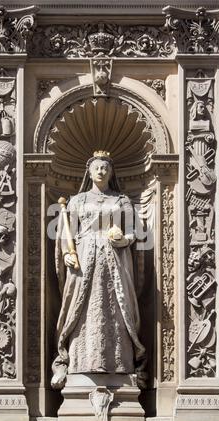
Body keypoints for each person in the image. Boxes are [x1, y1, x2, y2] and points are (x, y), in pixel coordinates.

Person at [51, 150, 146, 390]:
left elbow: (135, 231)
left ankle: (119, 363)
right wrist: (66, 253)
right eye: (97, 167)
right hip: (84, 258)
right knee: (82, 307)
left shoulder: (121, 200)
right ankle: (79, 361)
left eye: (105, 167)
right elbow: (66, 233)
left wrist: (125, 240)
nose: (101, 171)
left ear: (111, 172)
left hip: (115, 258)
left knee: (117, 306)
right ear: (90, 172)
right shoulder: (77, 201)